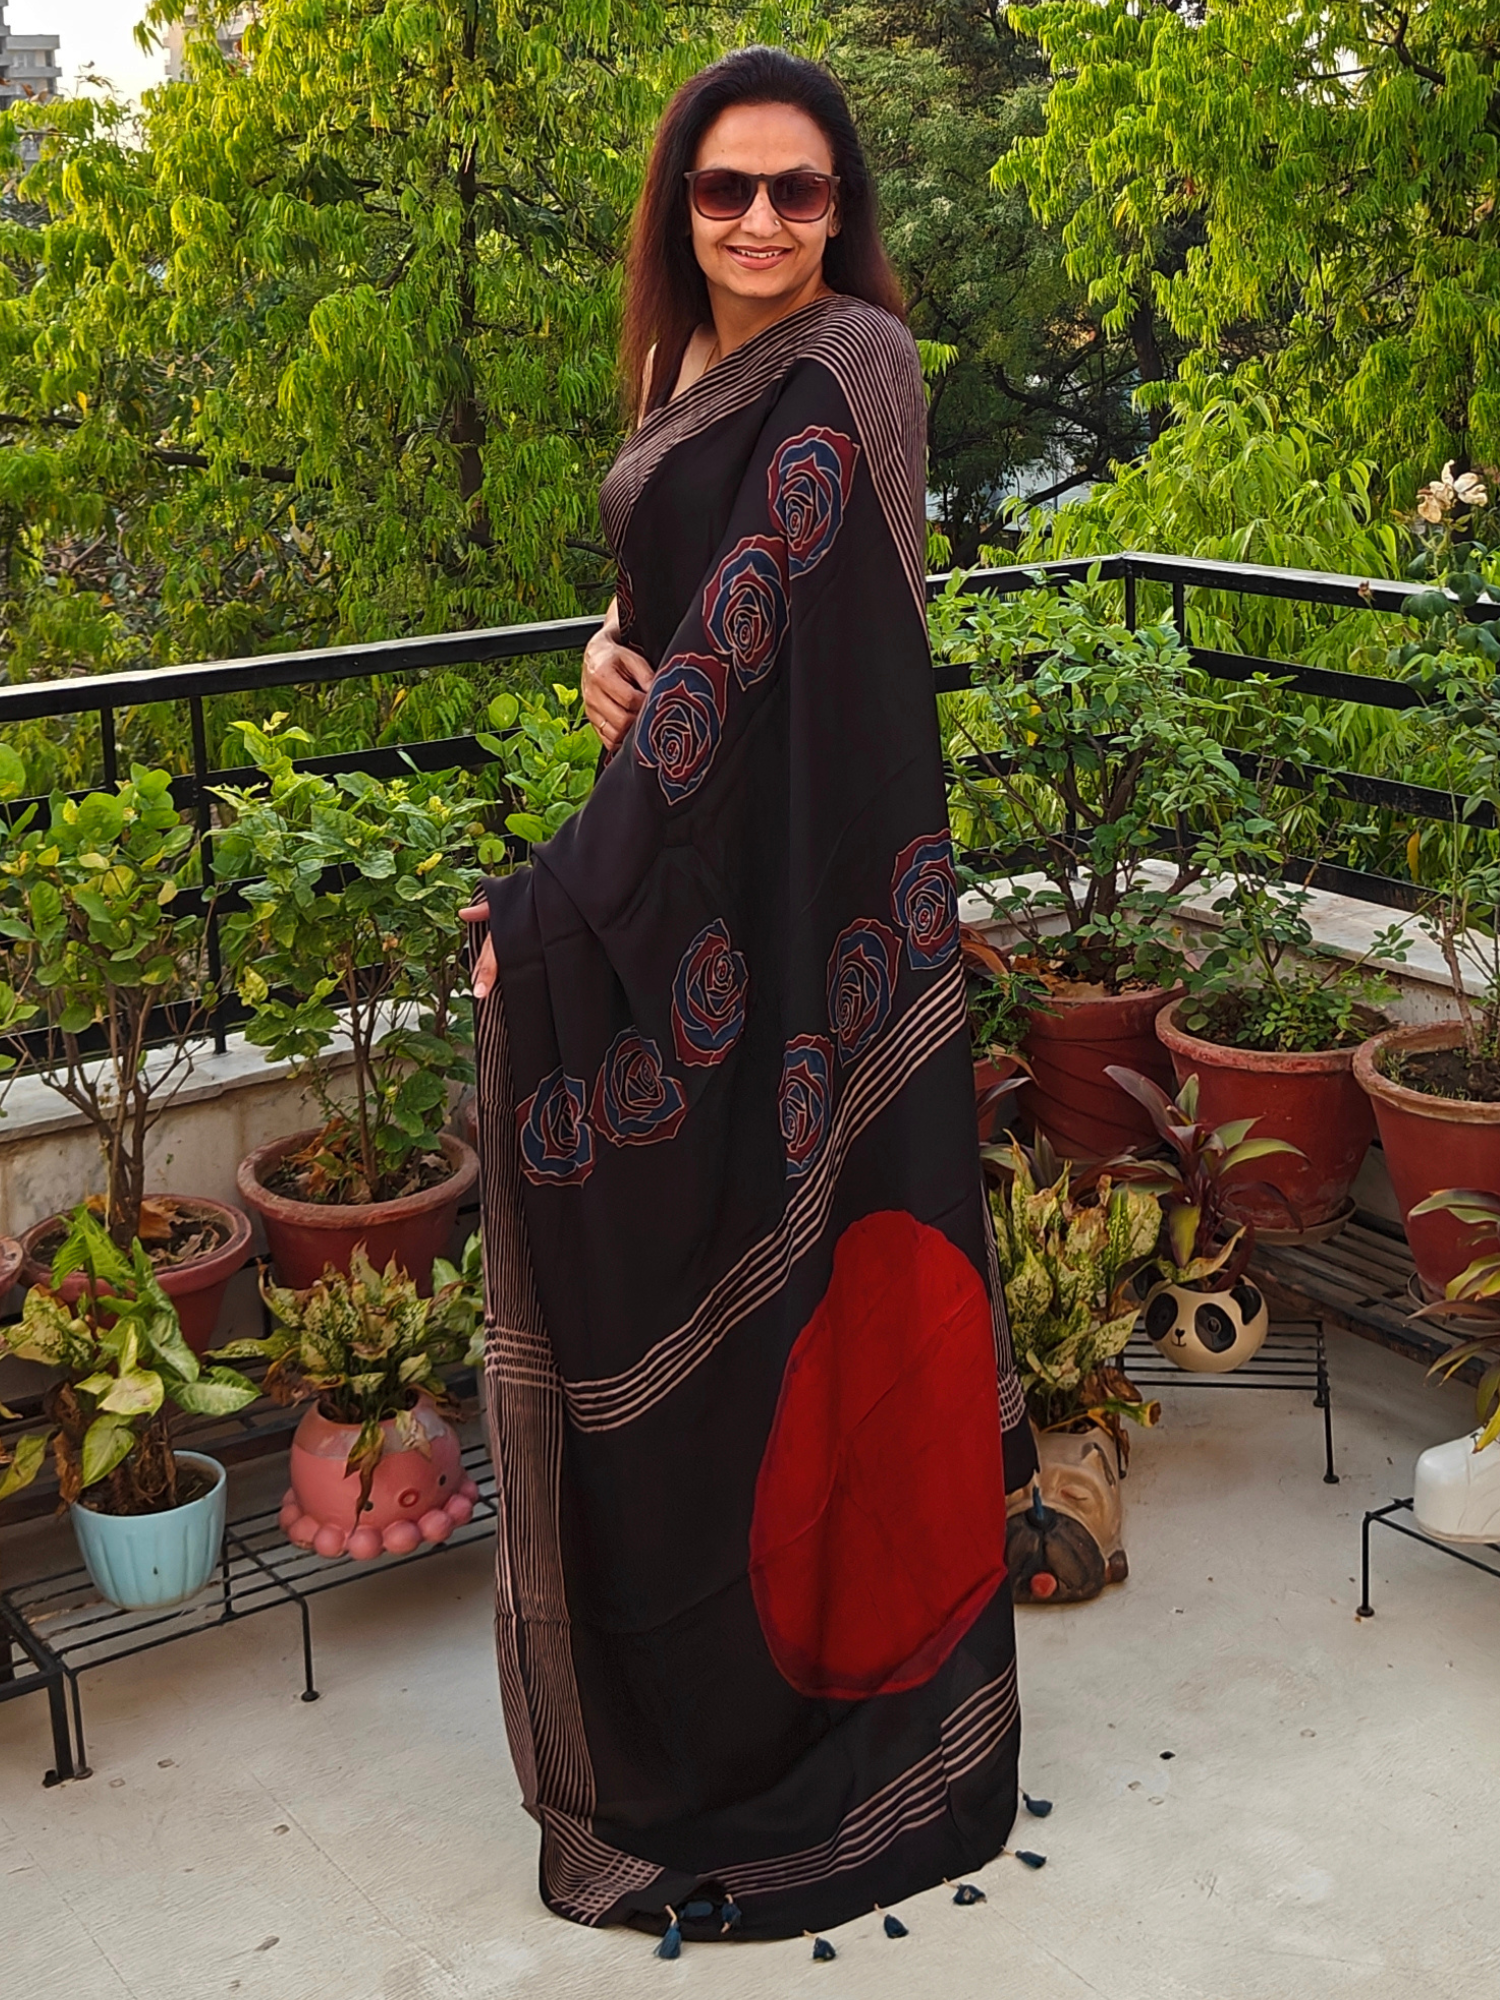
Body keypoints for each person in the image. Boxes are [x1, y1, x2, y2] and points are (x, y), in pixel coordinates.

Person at [461, 45, 1036, 1945]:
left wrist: (559, 899)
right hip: (708, 882)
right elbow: (677, 626)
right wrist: (603, 655)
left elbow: (756, 627)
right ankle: (710, 1691)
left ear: (841, 210)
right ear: (681, 209)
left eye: (801, 190)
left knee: (840, 1265)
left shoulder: (857, 366)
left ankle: (856, 1709)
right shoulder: (673, 378)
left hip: (819, 882)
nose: (766, 221)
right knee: (712, 1283)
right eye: (729, 190)